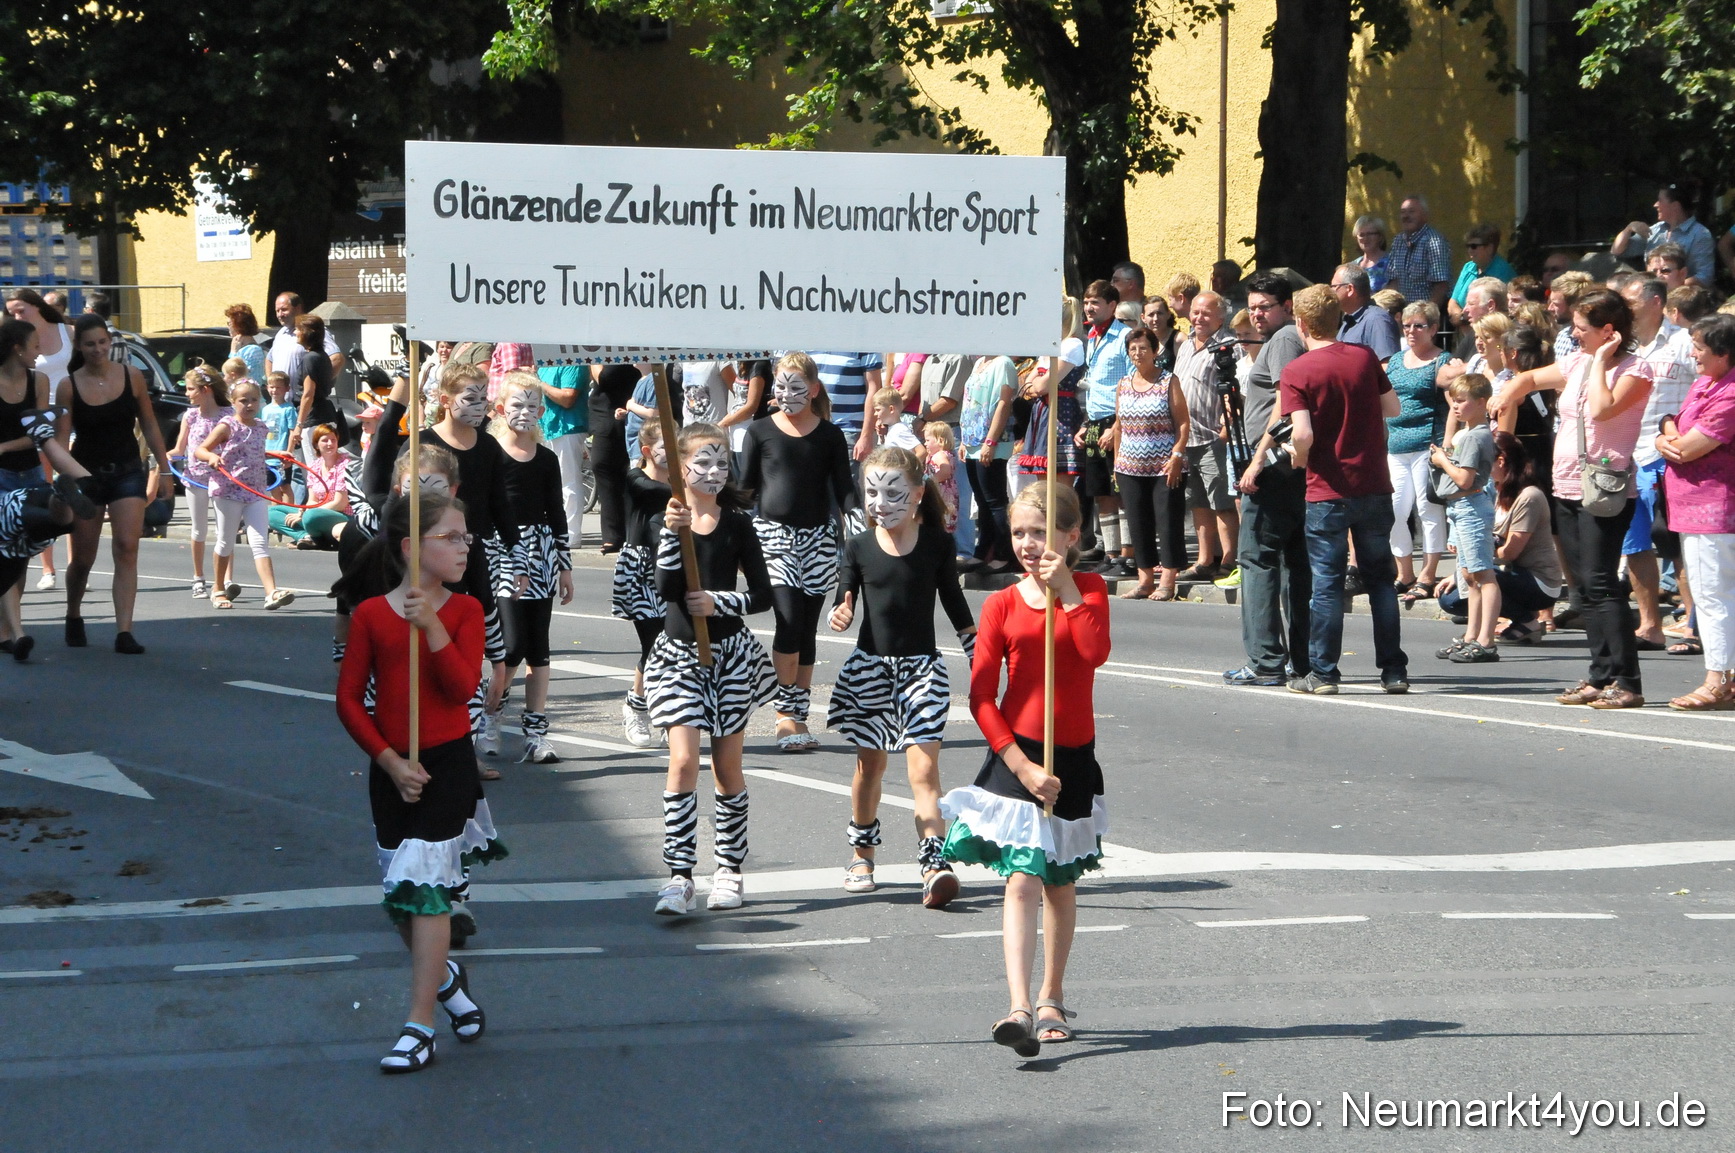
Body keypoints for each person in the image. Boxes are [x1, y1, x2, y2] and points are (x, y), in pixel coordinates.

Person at [335, 492, 505, 1073]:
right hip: (392, 772)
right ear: (412, 547)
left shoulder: (466, 610)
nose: (465, 547)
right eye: (451, 537)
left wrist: (431, 624)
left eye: (466, 537)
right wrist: (388, 761)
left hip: (447, 767)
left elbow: (461, 689)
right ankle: (447, 982)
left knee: (428, 890)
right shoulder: (370, 614)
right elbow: (348, 699)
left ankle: (419, 1025)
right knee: (401, 899)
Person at [940, 483, 1110, 1057]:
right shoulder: (1001, 604)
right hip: (1018, 754)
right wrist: (1022, 765)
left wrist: (1068, 591)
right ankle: (1017, 1007)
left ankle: (1051, 997)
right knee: (1022, 877)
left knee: (1059, 881)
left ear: (1071, 535)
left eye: (1040, 532)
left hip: (1074, 755)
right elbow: (981, 697)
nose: (1028, 544)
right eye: (1018, 533)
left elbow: (1094, 652)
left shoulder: (1090, 589)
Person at [1491, 289, 1656, 709]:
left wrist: (1600, 361)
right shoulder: (1575, 361)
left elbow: (1601, 409)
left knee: (1602, 583)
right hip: (1566, 486)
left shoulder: (1636, 370)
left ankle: (1627, 681)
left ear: (1608, 331)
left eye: (1581, 328)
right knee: (1583, 587)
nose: (1573, 334)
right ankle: (1600, 676)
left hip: (1604, 491)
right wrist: (1508, 392)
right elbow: (1530, 378)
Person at [828, 447, 977, 904]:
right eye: (871, 492)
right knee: (869, 767)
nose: (880, 503)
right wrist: (840, 610)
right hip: (870, 670)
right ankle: (862, 853)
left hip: (922, 672)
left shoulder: (936, 544)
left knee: (925, 769)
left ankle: (934, 863)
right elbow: (844, 593)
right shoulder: (858, 546)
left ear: (916, 494)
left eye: (892, 493)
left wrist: (980, 656)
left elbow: (954, 602)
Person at [647, 424, 776, 917]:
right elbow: (665, 588)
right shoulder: (667, 519)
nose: (714, 472)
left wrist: (719, 601)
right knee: (683, 761)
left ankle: (728, 868)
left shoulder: (739, 523)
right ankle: (679, 875)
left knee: (726, 768)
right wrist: (670, 532)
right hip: (678, 656)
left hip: (729, 657)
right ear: (680, 468)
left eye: (722, 463)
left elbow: (762, 595)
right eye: (703, 462)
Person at [375, 366, 523, 763]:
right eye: (470, 397)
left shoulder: (488, 447)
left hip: (469, 556)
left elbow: (500, 504)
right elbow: (392, 500)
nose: (479, 405)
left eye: (483, 397)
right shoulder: (421, 444)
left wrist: (518, 556)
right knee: (424, 654)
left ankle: (464, 747)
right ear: (445, 400)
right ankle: (417, 744)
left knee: (468, 650)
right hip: (423, 561)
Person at [1280, 285, 1409, 694]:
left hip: (1328, 488)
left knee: (1327, 584)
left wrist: (1298, 455)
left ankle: (1324, 673)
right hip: (1373, 484)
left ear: (1301, 323)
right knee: (1381, 581)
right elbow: (1394, 408)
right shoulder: (1364, 357)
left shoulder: (1297, 371)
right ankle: (1393, 670)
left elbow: (1302, 434)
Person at [737, 353, 860, 752]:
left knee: (807, 627)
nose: (786, 394)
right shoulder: (759, 431)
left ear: (813, 389)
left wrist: (864, 528)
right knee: (788, 620)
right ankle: (784, 715)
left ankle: (799, 712)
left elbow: (844, 490)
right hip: (773, 538)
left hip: (818, 540)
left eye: (796, 387)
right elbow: (745, 490)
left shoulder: (830, 435)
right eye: (780, 386)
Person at [58, 314, 171, 653]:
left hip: (127, 471)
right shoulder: (68, 386)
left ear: (110, 342)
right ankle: (73, 613)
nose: (97, 349)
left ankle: (124, 631)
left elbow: (149, 423)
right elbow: (60, 441)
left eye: (102, 342)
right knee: (83, 558)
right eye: (90, 344)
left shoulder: (131, 376)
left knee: (126, 546)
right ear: (79, 346)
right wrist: (63, 484)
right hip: (87, 475)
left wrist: (165, 469)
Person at [1224, 272, 1313, 686]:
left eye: (1265, 307)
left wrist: (1258, 459)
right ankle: (1301, 659)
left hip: (1275, 466)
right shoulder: (1289, 338)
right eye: (1253, 307)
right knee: (1294, 563)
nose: (1257, 315)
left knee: (1256, 558)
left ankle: (1265, 661)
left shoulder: (1283, 340)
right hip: (1289, 465)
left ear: (1287, 306)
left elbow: (1286, 402)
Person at [493, 371, 574, 765]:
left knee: (538, 647)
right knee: (511, 646)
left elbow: (556, 512)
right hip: (503, 552)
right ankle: (490, 714)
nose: (524, 412)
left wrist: (564, 566)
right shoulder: (491, 454)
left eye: (532, 406)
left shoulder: (546, 458)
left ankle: (536, 733)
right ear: (500, 409)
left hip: (540, 553)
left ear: (541, 412)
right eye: (517, 405)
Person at [1656, 315, 1735, 710]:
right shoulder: (1706, 384)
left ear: (1723, 353)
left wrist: (1668, 440)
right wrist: (1665, 434)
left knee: (1711, 594)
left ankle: (1718, 680)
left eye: (1700, 348)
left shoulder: (1731, 394)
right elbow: (1674, 423)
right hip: (1693, 506)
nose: (1693, 354)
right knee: (1716, 594)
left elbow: (1687, 449)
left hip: (1714, 510)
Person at [1621, 275, 1697, 650]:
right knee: (1635, 545)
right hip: (1629, 457)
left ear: (1655, 303)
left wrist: (1687, 437)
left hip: (1670, 457)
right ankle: (1650, 625)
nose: (1625, 308)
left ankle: (1694, 626)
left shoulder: (1683, 342)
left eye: (1631, 301)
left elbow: (1707, 391)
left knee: (1677, 545)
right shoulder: (1624, 347)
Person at [1438, 432, 1564, 646]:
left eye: (1481, 461)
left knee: (1478, 579)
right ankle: (1514, 620)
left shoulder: (1529, 496)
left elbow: (1510, 552)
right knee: (1450, 598)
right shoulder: (1491, 490)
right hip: (1507, 571)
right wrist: (1462, 570)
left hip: (1539, 581)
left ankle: (1526, 622)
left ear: (1501, 461)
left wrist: (1473, 562)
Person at [0, 415, 101, 662]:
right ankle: (59, 490)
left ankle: (17, 635)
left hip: (13, 522)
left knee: (51, 522)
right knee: (65, 513)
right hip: (28, 502)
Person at [196, 380, 295, 612]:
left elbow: (254, 451)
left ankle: (271, 592)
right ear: (233, 402)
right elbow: (201, 449)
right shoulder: (227, 426)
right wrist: (211, 457)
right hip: (228, 491)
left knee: (260, 542)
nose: (249, 405)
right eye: (243, 400)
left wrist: (276, 454)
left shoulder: (261, 427)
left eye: (254, 400)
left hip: (256, 491)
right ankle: (218, 588)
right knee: (226, 541)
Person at [1110, 326, 1189, 600]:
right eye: (1132, 349)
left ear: (1155, 351)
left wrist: (1177, 455)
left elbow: (1183, 422)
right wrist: (1117, 463)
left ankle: (1167, 580)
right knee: (1138, 523)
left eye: (1143, 348)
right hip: (1130, 467)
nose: (1137, 353)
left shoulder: (1168, 381)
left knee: (1168, 521)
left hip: (1165, 466)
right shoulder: (1123, 384)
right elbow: (1119, 426)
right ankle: (1144, 580)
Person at [1384, 302, 1455, 596]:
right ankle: (1405, 573)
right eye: (1407, 325)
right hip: (1396, 445)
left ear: (1434, 329)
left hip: (1428, 445)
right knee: (1395, 509)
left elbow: (1455, 404)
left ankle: (1428, 575)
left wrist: (1446, 444)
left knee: (1428, 509)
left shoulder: (1444, 361)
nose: (1411, 331)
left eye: (1419, 326)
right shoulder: (1396, 360)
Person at [1429, 375, 1501, 661]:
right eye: (1453, 401)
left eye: (1461, 401)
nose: (1456, 407)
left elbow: (1464, 478)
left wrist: (1442, 461)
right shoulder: (1468, 433)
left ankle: (1486, 640)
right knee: (1470, 576)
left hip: (1470, 506)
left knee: (1483, 574)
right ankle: (1471, 635)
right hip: (1460, 507)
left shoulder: (1474, 436)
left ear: (1481, 402)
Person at [6, 290, 74, 594]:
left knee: (69, 493)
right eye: (11, 312)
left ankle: (74, 564)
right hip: (35, 424)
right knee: (43, 495)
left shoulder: (67, 332)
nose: (16, 316)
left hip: (69, 418)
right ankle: (47, 568)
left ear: (36, 306)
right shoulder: (16, 339)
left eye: (21, 310)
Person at [1172, 292, 1241, 583]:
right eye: (1196, 312)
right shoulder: (1186, 344)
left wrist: (1226, 431)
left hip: (1214, 437)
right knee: (1198, 502)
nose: (1198, 318)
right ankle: (1204, 560)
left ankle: (1229, 559)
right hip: (1187, 437)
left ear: (1221, 317)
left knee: (1222, 502)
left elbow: (1236, 389)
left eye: (1206, 313)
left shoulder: (1229, 346)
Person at [614, 420, 671, 748]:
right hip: (639, 568)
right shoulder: (636, 477)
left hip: (673, 564)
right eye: (666, 447)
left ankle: (668, 714)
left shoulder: (682, 479)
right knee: (653, 643)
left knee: (675, 644)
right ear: (648, 451)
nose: (673, 453)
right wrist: (689, 490)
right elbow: (650, 491)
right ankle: (636, 707)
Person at [0, 321, 52, 652]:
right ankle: (15, 634)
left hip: (30, 474)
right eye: (34, 346)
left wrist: (4, 446)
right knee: (4, 552)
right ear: (17, 348)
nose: (39, 352)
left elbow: (39, 432)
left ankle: (6, 630)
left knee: (19, 557)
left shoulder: (39, 381)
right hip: (0, 477)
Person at [1075, 281, 1132, 576]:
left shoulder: (1125, 336)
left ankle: (1128, 556)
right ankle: (1110, 554)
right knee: (1101, 492)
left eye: (1095, 302)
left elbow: (1132, 384)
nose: (1089, 307)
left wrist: (1118, 425)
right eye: (1086, 302)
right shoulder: (1092, 336)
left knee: (1121, 490)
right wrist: (1085, 424)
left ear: (1112, 305)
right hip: (1095, 421)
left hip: (1118, 420)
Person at [168, 365, 231, 597]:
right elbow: (180, 448)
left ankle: (225, 580)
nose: (187, 394)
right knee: (199, 529)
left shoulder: (228, 415)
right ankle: (198, 577)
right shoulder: (191, 416)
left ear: (206, 390)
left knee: (225, 531)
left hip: (222, 479)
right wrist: (165, 457)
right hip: (195, 478)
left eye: (191, 389)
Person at [1015, 301, 1085, 501]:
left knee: (1060, 486)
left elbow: (1040, 387)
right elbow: (1026, 387)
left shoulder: (1072, 345)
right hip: (1042, 412)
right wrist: (1037, 384)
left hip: (1061, 413)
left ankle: (1062, 519)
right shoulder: (1050, 348)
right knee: (1043, 484)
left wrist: (1037, 382)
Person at [960, 351, 1019, 573]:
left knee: (995, 500)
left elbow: (1004, 403)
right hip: (972, 440)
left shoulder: (1003, 363)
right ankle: (983, 550)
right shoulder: (979, 363)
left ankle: (1004, 554)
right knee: (981, 500)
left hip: (992, 440)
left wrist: (991, 441)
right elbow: (969, 402)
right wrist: (964, 439)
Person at [1610, 183, 1716, 286]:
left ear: (1675, 206)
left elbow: (1705, 277)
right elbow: (1617, 250)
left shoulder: (1699, 234)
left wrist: (1671, 287)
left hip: (1681, 295)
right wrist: (1629, 228)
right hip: (1651, 292)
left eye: (1660, 200)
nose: (1655, 205)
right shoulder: (1656, 230)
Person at [270, 423, 353, 550]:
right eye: (325, 440)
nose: (330, 444)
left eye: (333, 440)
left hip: (341, 515)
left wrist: (305, 514)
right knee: (272, 512)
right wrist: (303, 511)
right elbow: (312, 500)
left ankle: (315, 535)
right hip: (315, 513)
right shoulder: (315, 466)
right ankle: (306, 536)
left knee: (311, 516)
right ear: (316, 445)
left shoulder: (345, 465)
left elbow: (340, 503)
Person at [588, 362, 640, 553]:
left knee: (616, 470)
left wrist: (594, 361)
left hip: (621, 415)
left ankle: (622, 533)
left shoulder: (619, 357)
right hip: (607, 415)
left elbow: (605, 377)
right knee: (605, 468)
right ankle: (613, 534)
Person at [536, 361, 589, 543]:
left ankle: (571, 535)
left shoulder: (573, 362)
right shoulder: (543, 365)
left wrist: (538, 382)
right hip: (547, 429)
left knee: (569, 482)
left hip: (567, 429)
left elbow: (567, 398)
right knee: (550, 485)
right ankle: (554, 531)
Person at [811, 352, 884, 464]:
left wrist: (866, 436)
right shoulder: (809, 344)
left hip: (850, 432)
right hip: (815, 429)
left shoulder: (866, 345)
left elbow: (874, 389)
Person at [1387, 195, 1452, 311]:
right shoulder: (1398, 241)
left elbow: (1441, 287)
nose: (1406, 216)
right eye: (1403, 212)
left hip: (1428, 313)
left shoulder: (1434, 242)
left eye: (1411, 212)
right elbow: (1394, 282)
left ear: (1425, 216)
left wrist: (1426, 315)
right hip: (1403, 313)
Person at [1446, 225, 1516, 327]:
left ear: (1490, 248)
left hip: (1490, 330)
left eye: (1474, 246)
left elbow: (1501, 309)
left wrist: (1468, 318)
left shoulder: (1503, 271)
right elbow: (1453, 302)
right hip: (1464, 330)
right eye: (1468, 246)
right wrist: (1461, 318)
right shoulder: (1468, 267)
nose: (1470, 250)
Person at [1331, 264, 1401, 359]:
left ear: (1350, 289)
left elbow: (1387, 364)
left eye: (1334, 286)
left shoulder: (1378, 320)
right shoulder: (1348, 320)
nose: (1331, 292)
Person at [266, 292, 343, 376]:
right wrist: (271, 381)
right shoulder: (281, 333)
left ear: (298, 308)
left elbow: (336, 359)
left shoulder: (312, 330)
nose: (280, 315)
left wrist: (319, 381)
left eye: (284, 310)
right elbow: (269, 359)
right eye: (277, 311)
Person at [924, 422, 961, 533]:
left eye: (927, 440)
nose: (925, 444)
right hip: (949, 494)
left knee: (940, 521)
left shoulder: (939, 455)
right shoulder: (946, 454)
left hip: (942, 495)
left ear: (940, 441)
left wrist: (929, 481)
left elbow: (945, 471)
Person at [871, 388, 922, 455]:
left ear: (891, 409)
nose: (875, 414)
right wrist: (882, 438)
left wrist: (910, 462)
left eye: (878, 410)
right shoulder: (894, 429)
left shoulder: (899, 430)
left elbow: (921, 452)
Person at [225, 304, 266, 384]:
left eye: (229, 323)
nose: (228, 327)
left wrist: (233, 353)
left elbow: (238, 374)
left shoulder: (253, 350)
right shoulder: (241, 347)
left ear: (238, 325)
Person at [1351, 214, 1392, 292]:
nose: (1366, 238)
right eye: (1361, 235)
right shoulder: (1353, 266)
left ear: (1380, 237)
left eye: (1370, 234)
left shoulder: (1392, 263)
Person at [261, 372, 297, 456]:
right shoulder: (265, 409)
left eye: (278, 387)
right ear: (267, 388)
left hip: (282, 453)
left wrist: (289, 452)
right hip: (266, 453)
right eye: (272, 387)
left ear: (287, 388)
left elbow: (292, 433)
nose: (274, 390)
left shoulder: (289, 409)